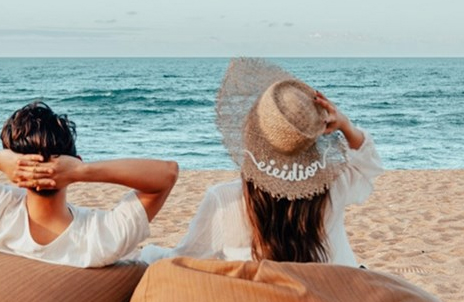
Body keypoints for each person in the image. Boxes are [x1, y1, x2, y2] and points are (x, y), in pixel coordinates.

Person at [139, 58, 383, 268]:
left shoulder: (225, 200)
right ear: (310, 143)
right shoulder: (333, 188)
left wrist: (147, 254)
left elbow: (184, 259)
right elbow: (367, 164)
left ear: (251, 137)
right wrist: (346, 125)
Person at [0, 101, 178, 268]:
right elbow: (167, 174)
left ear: (14, 165)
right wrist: (82, 171)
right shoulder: (101, 237)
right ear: (75, 159)